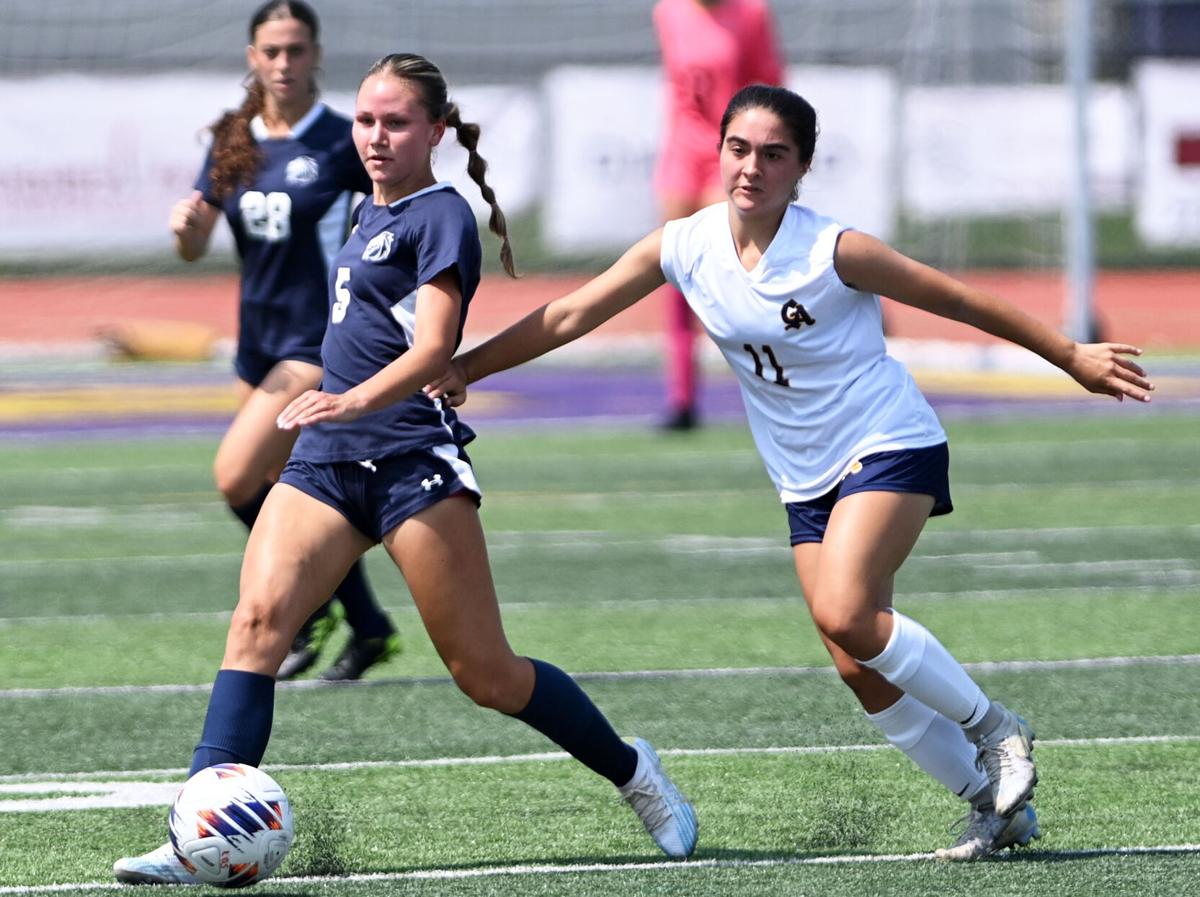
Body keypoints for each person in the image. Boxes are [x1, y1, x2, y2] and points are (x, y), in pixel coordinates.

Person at [427, 84, 1156, 860]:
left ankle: (997, 732)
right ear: (719, 153)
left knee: (847, 612)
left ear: (801, 168)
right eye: (739, 149)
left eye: (774, 154)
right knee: (856, 663)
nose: (752, 168)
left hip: (887, 441)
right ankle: (992, 806)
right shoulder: (684, 245)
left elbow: (961, 300)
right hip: (803, 477)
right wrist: (466, 364)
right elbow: (571, 314)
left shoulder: (833, 248)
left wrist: (1071, 355)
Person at [113, 52, 698, 885]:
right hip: (324, 463)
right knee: (255, 628)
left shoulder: (441, 215)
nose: (376, 136)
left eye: (394, 122)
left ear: (433, 129)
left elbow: (433, 347)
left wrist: (350, 400)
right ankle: (193, 836)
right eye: (365, 121)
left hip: (410, 460)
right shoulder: (359, 209)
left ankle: (633, 771)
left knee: (487, 673)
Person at [167, 0, 400, 681]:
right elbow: (194, 244)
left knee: (235, 475)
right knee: (287, 488)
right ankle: (368, 623)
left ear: (315, 53)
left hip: (314, 343)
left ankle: (312, 604)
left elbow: (402, 211)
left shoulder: (342, 138)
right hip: (257, 342)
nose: (284, 63)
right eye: (271, 50)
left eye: (296, 49)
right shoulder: (232, 139)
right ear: (252, 57)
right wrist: (185, 228)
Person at [653, 0, 784, 429]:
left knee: (732, 265)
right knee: (673, 270)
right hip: (682, 150)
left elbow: (771, 88)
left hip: (729, 151)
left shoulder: (751, 14)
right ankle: (682, 398)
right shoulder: (668, 12)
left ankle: (776, 381)